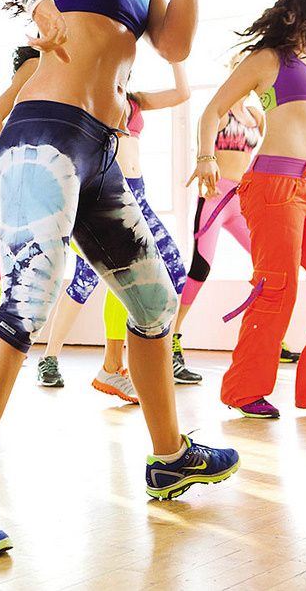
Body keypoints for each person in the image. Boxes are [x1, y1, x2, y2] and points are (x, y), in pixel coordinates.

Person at [0, 0, 238, 557]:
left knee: (156, 304)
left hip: (101, 150)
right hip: (46, 131)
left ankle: (169, 458)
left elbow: (175, 45)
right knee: (26, 300)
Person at [190, 0, 306, 419]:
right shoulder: (267, 58)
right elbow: (212, 110)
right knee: (277, 287)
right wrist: (206, 157)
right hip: (273, 185)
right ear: (296, 14)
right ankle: (244, 390)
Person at [34, 63, 196, 398]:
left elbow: (182, 94)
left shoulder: (136, 100)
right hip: (105, 196)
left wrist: (175, 58)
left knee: (173, 269)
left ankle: (147, 357)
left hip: (138, 194)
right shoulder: (90, 97)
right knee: (87, 281)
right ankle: (52, 359)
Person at [173, 53, 301, 371]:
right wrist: (204, 162)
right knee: (200, 269)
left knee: (269, 267)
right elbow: (204, 142)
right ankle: (171, 338)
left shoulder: (256, 116)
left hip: (242, 201)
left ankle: (271, 339)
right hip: (215, 200)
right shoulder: (221, 111)